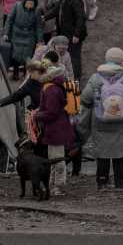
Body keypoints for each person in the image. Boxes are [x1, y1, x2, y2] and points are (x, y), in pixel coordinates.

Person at [79, 47, 123, 190]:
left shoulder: (95, 78)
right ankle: (119, 184)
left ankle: (102, 183)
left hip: (100, 121)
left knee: (103, 153)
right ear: (121, 61)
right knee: (119, 153)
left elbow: (84, 99)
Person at [33, 60, 76, 197]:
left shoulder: (51, 89)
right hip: (58, 128)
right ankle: (52, 184)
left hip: (55, 129)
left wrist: (36, 115)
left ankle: (58, 186)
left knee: (57, 159)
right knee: (54, 158)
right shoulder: (55, 87)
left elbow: (51, 112)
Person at [4, 0, 43, 79]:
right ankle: (15, 73)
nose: (30, 5)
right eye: (28, 3)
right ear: (24, 1)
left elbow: (38, 27)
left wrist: (39, 40)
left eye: (32, 4)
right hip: (16, 34)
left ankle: (27, 75)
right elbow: (9, 20)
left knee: (28, 56)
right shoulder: (17, 6)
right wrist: (6, 33)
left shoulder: (37, 11)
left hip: (29, 36)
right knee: (15, 55)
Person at [54, 0, 87, 79]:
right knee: (69, 56)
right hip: (66, 33)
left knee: (74, 57)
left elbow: (81, 18)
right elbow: (57, 10)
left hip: (73, 35)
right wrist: (45, 17)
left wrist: (76, 35)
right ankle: (68, 76)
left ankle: (76, 79)